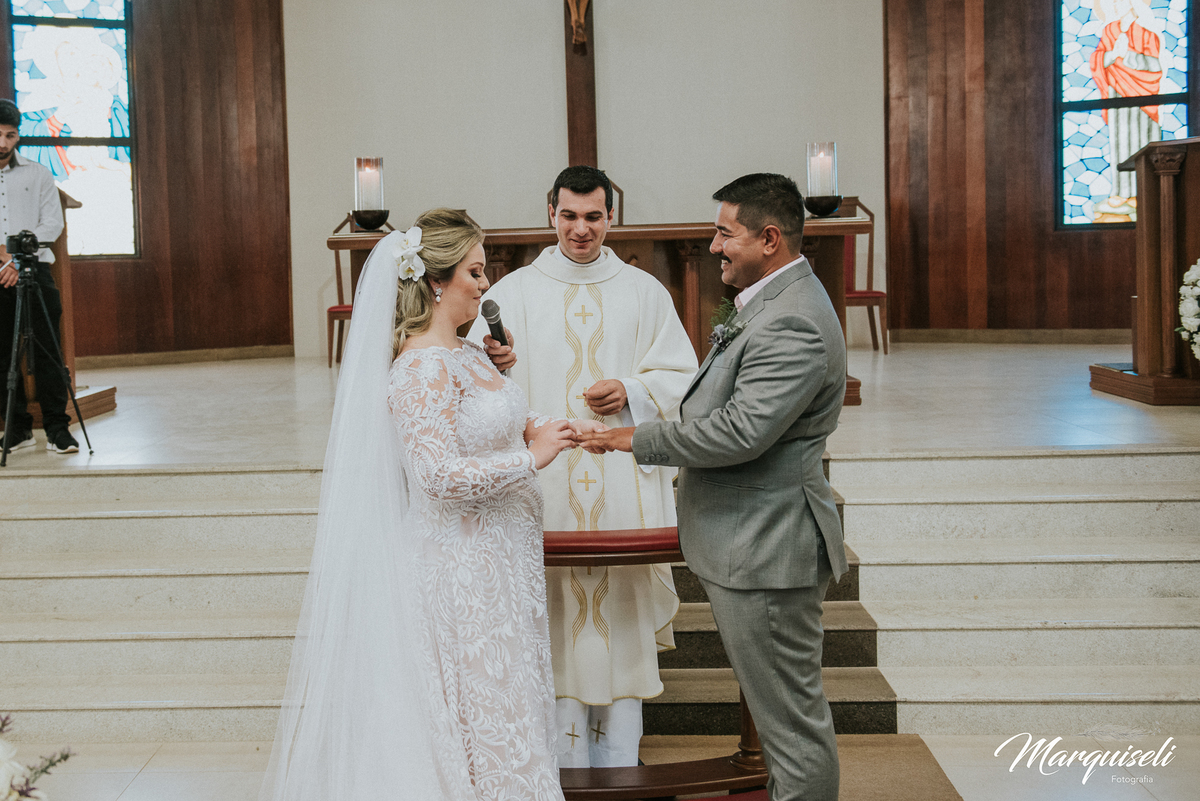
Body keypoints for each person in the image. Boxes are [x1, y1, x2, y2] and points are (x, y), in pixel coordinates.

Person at [260, 208, 599, 801]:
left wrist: (558, 428)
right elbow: (437, 475)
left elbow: (507, 423)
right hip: (459, 577)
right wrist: (531, 458)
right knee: (477, 720)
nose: (486, 283)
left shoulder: (469, 355)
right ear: (436, 281)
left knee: (508, 711)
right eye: (475, 270)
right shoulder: (419, 369)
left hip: (500, 571)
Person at [580, 173, 847, 801]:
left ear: (770, 238)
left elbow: (740, 433)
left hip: (768, 548)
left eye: (726, 234)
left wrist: (631, 439)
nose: (714, 247)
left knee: (792, 728)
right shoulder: (775, 303)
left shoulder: (794, 322)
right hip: (751, 541)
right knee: (784, 721)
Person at [468, 166, 697, 768]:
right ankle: (558, 764)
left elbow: (681, 376)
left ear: (610, 218)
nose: (581, 229)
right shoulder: (511, 292)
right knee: (549, 613)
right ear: (551, 214)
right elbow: (468, 377)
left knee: (615, 610)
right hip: (542, 486)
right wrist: (497, 362)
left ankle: (619, 758)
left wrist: (631, 389)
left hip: (621, 483)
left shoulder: (645, 291)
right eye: (569, 215)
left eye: (593, 216)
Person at [0, 98, 77, 455]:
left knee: (48, 350)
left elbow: (53, 223)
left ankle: (57, 429)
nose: (3, 143)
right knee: (2, 354)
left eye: (10, 135)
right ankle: (16, 430)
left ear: (18, 137)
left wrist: (15, 259)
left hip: (35, 270)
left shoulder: (38, 172)